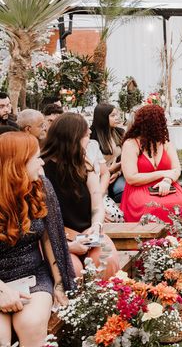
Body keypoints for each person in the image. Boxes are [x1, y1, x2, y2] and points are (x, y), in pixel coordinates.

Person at [0, 132, 75, 347]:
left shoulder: (40, 186)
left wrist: (59, 284)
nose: (42, 162)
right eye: (36, 157)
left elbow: (50, 238)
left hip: (32, 275)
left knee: (31, 324)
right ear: (18, 164)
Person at [41, 113, 119, 279]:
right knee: (72, 270)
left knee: (106, 260)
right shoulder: (42, 168)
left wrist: (96, 226)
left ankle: (106, 303)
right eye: (86, 136)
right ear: (73, 138)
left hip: (88, 231)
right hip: (56, 236)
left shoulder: (85, 164)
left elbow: (97, 205)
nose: (89, 141)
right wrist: (68, 244)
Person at [120, 104, 182, 223]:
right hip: (140, 188)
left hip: (168, 186)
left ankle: (175, 240)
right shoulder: (131, 144)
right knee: (151, 207)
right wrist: (163, 174)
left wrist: (167, 180)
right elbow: (131, 178)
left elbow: (176, 169)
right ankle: (154, 241)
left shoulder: (165, 142)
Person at [90, 103, 126, 203]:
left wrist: (118, 172)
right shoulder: (92, 136)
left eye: (117, 114)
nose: (117, 118)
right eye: (113, 115)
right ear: (103, 118)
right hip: (98, 177)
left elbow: (126, 156)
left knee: (124, 190)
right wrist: (109, 171)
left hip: (119, 174)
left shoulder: (120, 132)